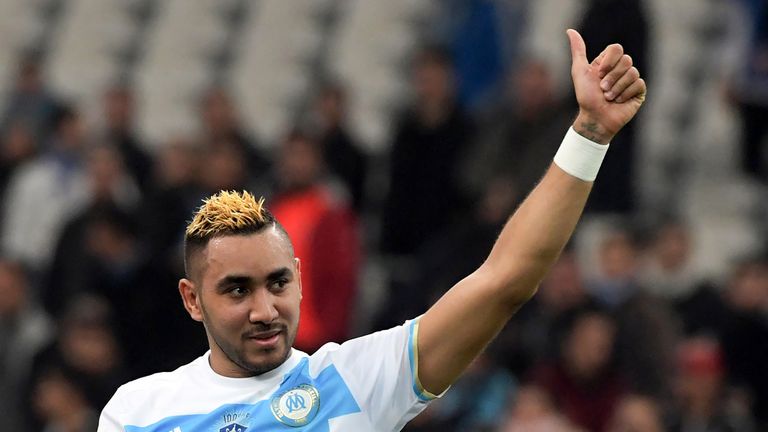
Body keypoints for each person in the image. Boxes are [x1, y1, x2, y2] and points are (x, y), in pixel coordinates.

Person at [98, 30, 646, 431]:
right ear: (192, 300)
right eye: (237, 289)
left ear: (298, 279)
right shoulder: (139, 411)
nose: (264, 308)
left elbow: (506, 280)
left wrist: (589, 134)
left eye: (276, 283)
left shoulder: (356, 380)